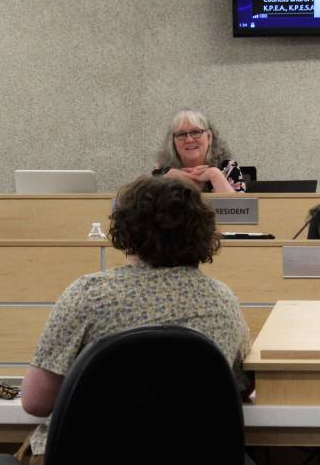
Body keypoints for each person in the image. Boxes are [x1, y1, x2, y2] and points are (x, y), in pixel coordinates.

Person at [17, 175, 251, 464]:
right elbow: (241, 384)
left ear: (127, 228)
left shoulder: (89, 294)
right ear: (203, 231)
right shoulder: (223, 301)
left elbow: (36, 402)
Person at [152, 107, 245, 192]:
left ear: (209, 137)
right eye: (181, 134)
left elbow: (241, 205)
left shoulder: (228, 167)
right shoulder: (162, 170)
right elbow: (149, 204)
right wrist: (166, 181)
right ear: (173, 142)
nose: (189, 140)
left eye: (196, 132)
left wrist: (215, 175)